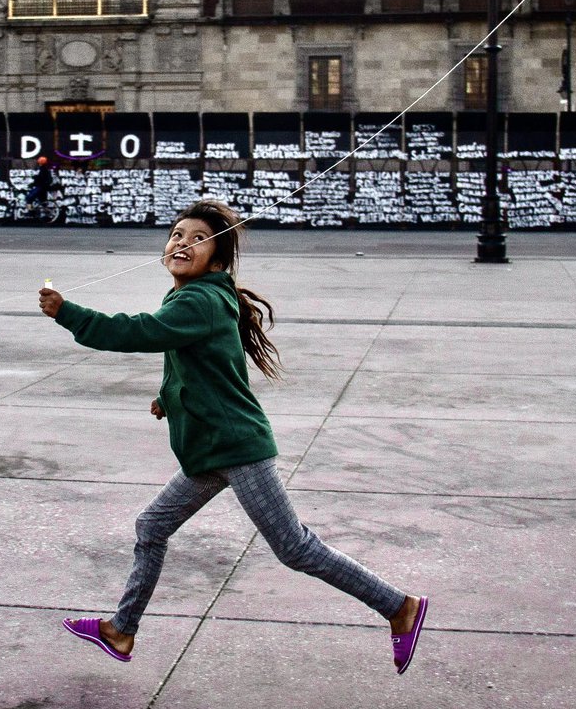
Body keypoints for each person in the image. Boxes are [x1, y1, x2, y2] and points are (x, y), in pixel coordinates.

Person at [37, 199, 429, 675]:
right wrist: (170, 398)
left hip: (237, 449)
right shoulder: (195, 297)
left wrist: (69, 314)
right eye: (177, 234)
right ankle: (121, 631)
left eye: (197, 239)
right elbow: (199, 362)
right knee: (152, 526)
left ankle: (399, 607)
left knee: (295, 547)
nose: (182, 242)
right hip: (210, 451)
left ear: (218, 260)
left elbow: (142, 333)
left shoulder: (199, 299)